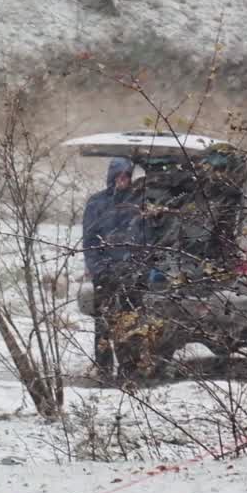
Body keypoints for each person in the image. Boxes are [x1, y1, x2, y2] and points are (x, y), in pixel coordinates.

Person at [82, 157, 147, 378]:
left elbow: (145, 237)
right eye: (119, 176)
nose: (122, 180)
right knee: (103, 323)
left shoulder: (138, 203)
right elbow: (89, 240)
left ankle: (129, 369)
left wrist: (137, 266)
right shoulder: (97, 203)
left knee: (130, 321)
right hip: (105, 272)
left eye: (126, 176)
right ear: (111, 177)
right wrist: (98, 268)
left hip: (132, 272)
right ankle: (103, 368)